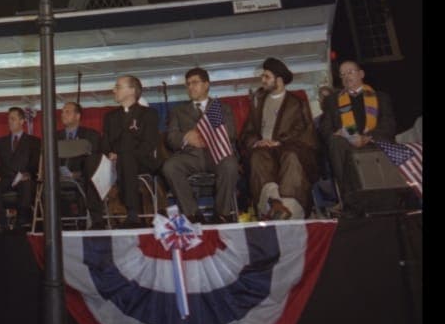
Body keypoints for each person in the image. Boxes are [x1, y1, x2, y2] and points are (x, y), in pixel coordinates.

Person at [240, 57, 317, 221]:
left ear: (279, 80)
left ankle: (290, 211)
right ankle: (274, 203)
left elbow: (307, 135)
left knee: (292, 157)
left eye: (266, 77)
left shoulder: (297, 103)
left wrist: (280, 142)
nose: (263, 80)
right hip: (263, 150)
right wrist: (256, 142)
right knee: (257, 155)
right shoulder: (257, 102)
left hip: (289, 148)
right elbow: (248, 132)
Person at [319, 59, 398, 215]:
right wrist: (338, 133)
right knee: (335, 142)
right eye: (342, 75)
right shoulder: (333, 101)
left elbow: (389, 125)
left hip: (373, 141)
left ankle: (388, 199)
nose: (347, 77)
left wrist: (367, 137)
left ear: (361, 74)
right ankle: (350, 199)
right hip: (346, 144)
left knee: (385, 140)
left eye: (350, 72)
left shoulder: (380, 97)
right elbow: (325, 128)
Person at [161, 67, 239, 223]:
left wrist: (209, 134)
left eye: (195, 83)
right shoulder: (178, 111)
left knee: (230, 164)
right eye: (188, 84)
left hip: (217, 154)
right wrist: (186, 137)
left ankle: (222, 214)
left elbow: (231, 133)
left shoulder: (222, 108)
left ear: (206, 85)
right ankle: (192, 215)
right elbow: (171, 137)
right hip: (191, 157)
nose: (190, 87)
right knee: (170, 167)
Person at [100, 75, 160, 228]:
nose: (114, 90)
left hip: (142, 161)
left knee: (127, 157)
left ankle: (132, 212)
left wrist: (124, 156)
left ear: (132, 90)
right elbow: (105, 143)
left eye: (118, 87)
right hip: (114, 162)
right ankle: (96, 217)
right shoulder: (110, 117)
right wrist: (109, 153)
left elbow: (149, 144)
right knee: (91, 161)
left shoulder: (148, 114)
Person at [0, 107, 41, 231]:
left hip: (24, 179)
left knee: (26, 184)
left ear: (22, 121)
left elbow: (36, 162)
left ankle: (20, 222)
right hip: (5, 179)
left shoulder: (34, 142)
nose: (9, 122)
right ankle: (2, 222)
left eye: (13, 119)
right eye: (8, 119)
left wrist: (28, 173)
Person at [56, 101, 104, 229]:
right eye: (62, 112)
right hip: (58, 177)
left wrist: (78, 173)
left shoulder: (91, 135)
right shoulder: (54, 137)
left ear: (78, 116)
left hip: (83, 176)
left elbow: (95, 161)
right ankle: (64, 223)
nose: (63, 115)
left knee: (91, 179)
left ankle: (95, 220)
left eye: (67, 112)